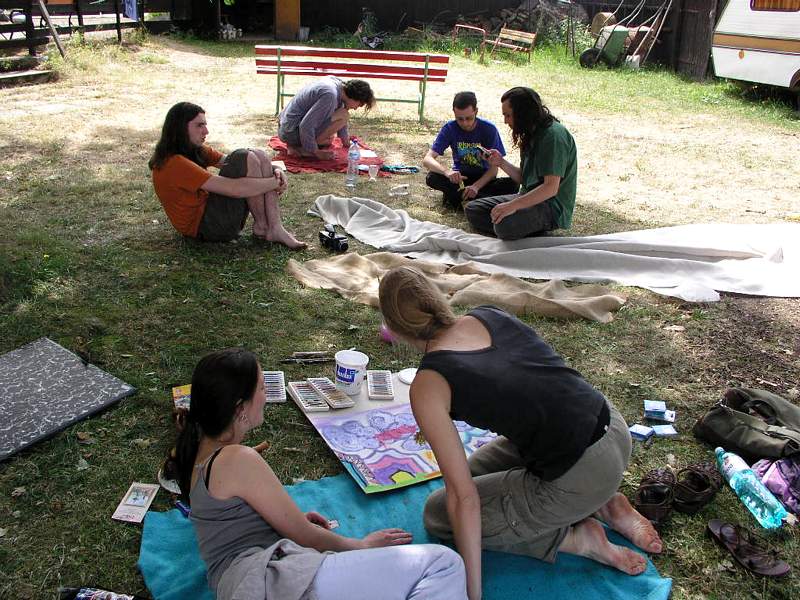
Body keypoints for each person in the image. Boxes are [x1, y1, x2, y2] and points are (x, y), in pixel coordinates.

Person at [378, 266, 663, 600]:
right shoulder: (487, 314)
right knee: (473, 472)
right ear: (435, 297)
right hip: (610, 426)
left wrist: (470, 591)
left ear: (394, 326)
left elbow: (463, 499)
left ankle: (577, 538)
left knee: (440, 514)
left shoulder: (429, 384)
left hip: (585, 471)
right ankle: (606, 504)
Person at [165, 348, 467, 600]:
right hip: (268, 581)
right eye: (261, 387)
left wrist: (284, 521)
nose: (266, 395)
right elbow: (305, 535)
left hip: (245, 584)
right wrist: (360, 546)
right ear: (239, 407)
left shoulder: (197, 453)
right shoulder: (237, 459)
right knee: (444, 563)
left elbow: (233, 525)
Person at [149, 102, 305, 249]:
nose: (206, 131)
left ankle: (274, 227)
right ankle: (263, 226)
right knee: (243, 156)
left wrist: (275, 169)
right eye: (199, 125)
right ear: (180, 128)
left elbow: (236, 162)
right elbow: (234, 189)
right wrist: (275, 182)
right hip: (206, 228)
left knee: (258, 154)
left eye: (205, 125)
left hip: (214, 217)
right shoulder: (174, 163)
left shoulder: (194, 150)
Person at [464, 87, 577, 240]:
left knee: (504, 226)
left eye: (508, 115)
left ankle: (524, 229)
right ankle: (522, 229)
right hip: (528, 196)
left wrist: (512, 206)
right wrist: (501, 162)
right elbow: (525, 178)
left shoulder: (553, 137)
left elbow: (550, 188)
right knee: (473, 209)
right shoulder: (531, 133)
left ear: (523, 114)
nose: (505, 121)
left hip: (551, 206)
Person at [423, 91, 518, 209]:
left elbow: (493, 170)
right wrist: (447, 172)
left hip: (484, 179)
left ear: (476, 112)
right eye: (460, 119)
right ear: (454, 112)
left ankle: (461, 198)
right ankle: (476, 201)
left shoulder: (489, 129)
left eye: (469, 118)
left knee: (513, 184)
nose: (465, 123)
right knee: (432, 177)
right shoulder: (450, 128)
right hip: (460, 179)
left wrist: (476, 187)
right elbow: (427, 159)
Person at [278, 77, 375, 160]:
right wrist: (316, 152)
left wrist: (346, 142)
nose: (355, 108)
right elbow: (306, 125)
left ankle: (295, 146)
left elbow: (340, 110)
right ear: (355, 97)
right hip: (291, 132)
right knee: (343, 115)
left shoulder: (337, 85)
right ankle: (304, 150)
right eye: (359, 105)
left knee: (329, 139)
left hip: (286, 127)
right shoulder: (330, 96)